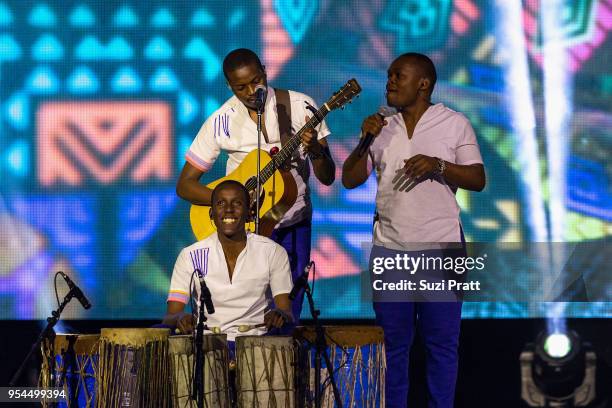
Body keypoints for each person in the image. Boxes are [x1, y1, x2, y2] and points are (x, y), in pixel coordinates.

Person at [342, 53, 486, 407]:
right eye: (390, 75)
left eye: (398, 75)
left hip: (442, 250)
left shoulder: (454, 123)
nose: (390, 81)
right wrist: (364, 139)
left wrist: (438, 165)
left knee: (441, 345)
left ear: (423, 84)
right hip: (390, 250)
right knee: (393, 347)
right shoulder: (382, 126)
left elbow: (477, 178)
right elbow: (348, 179)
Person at [176, 48, 335, 324]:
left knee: (286, 314)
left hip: (292, 224)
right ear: (229, 86)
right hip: (246, 234)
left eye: (256, 80)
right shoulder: (221, 120)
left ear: (264, 70)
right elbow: (185, 186)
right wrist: (231, 200)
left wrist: (316, 151)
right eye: (241, 87)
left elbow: (328, 176)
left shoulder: (298, 106)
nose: (252, 90)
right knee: (247, 313)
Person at [163, 180, 294, 343]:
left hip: (257, 343)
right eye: (221, 203)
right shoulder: (190, 255)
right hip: (206, 345)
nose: (229, 210)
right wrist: (181, 318)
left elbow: (287, 312)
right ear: (211, 213)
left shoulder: (272, 252)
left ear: (249, 212)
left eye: (237, 203)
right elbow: (171, 315)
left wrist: (279, 314)